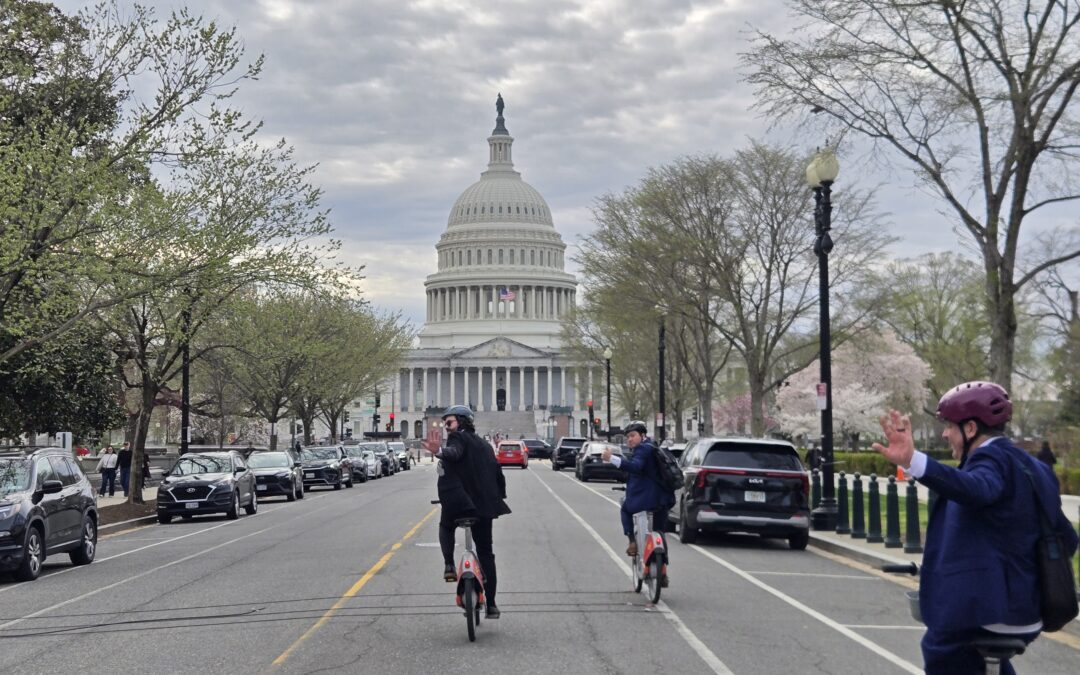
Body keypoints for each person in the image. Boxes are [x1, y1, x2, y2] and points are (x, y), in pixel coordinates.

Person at [872, 381, 1078, 675]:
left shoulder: (989, 459)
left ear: (970, 429)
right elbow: (1067, 537)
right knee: (980, 662)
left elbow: (977, 488)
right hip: (1031, 612)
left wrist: (913, 462)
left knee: (941, 646)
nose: (944, 434)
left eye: (949, 427)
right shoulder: (1035, 468)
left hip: (991, 612)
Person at [425, 405, 510, 619]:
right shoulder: (485, 445)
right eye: (445, 422)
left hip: (460, 506)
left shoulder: (458, 438)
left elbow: (454, 453)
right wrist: (498, 497)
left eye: (449, 422)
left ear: (461, 421)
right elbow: (498, 475)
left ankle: (449, 565)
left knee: (446, 525)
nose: (446, 426)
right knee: (486, 553)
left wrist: (439, 451)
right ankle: (491, 604)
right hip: (485, 508)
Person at [601, 420, 676, 587]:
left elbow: (635, 467)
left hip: (644, 499)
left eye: (633, 436)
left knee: (625, 509)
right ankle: (662, 571)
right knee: (659, 532)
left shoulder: (642, 450)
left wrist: (611, 458)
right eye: (628, 437)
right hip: (662, 499)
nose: (630, 439)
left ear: (642, 436)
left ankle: (632, 542)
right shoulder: (653, 448)